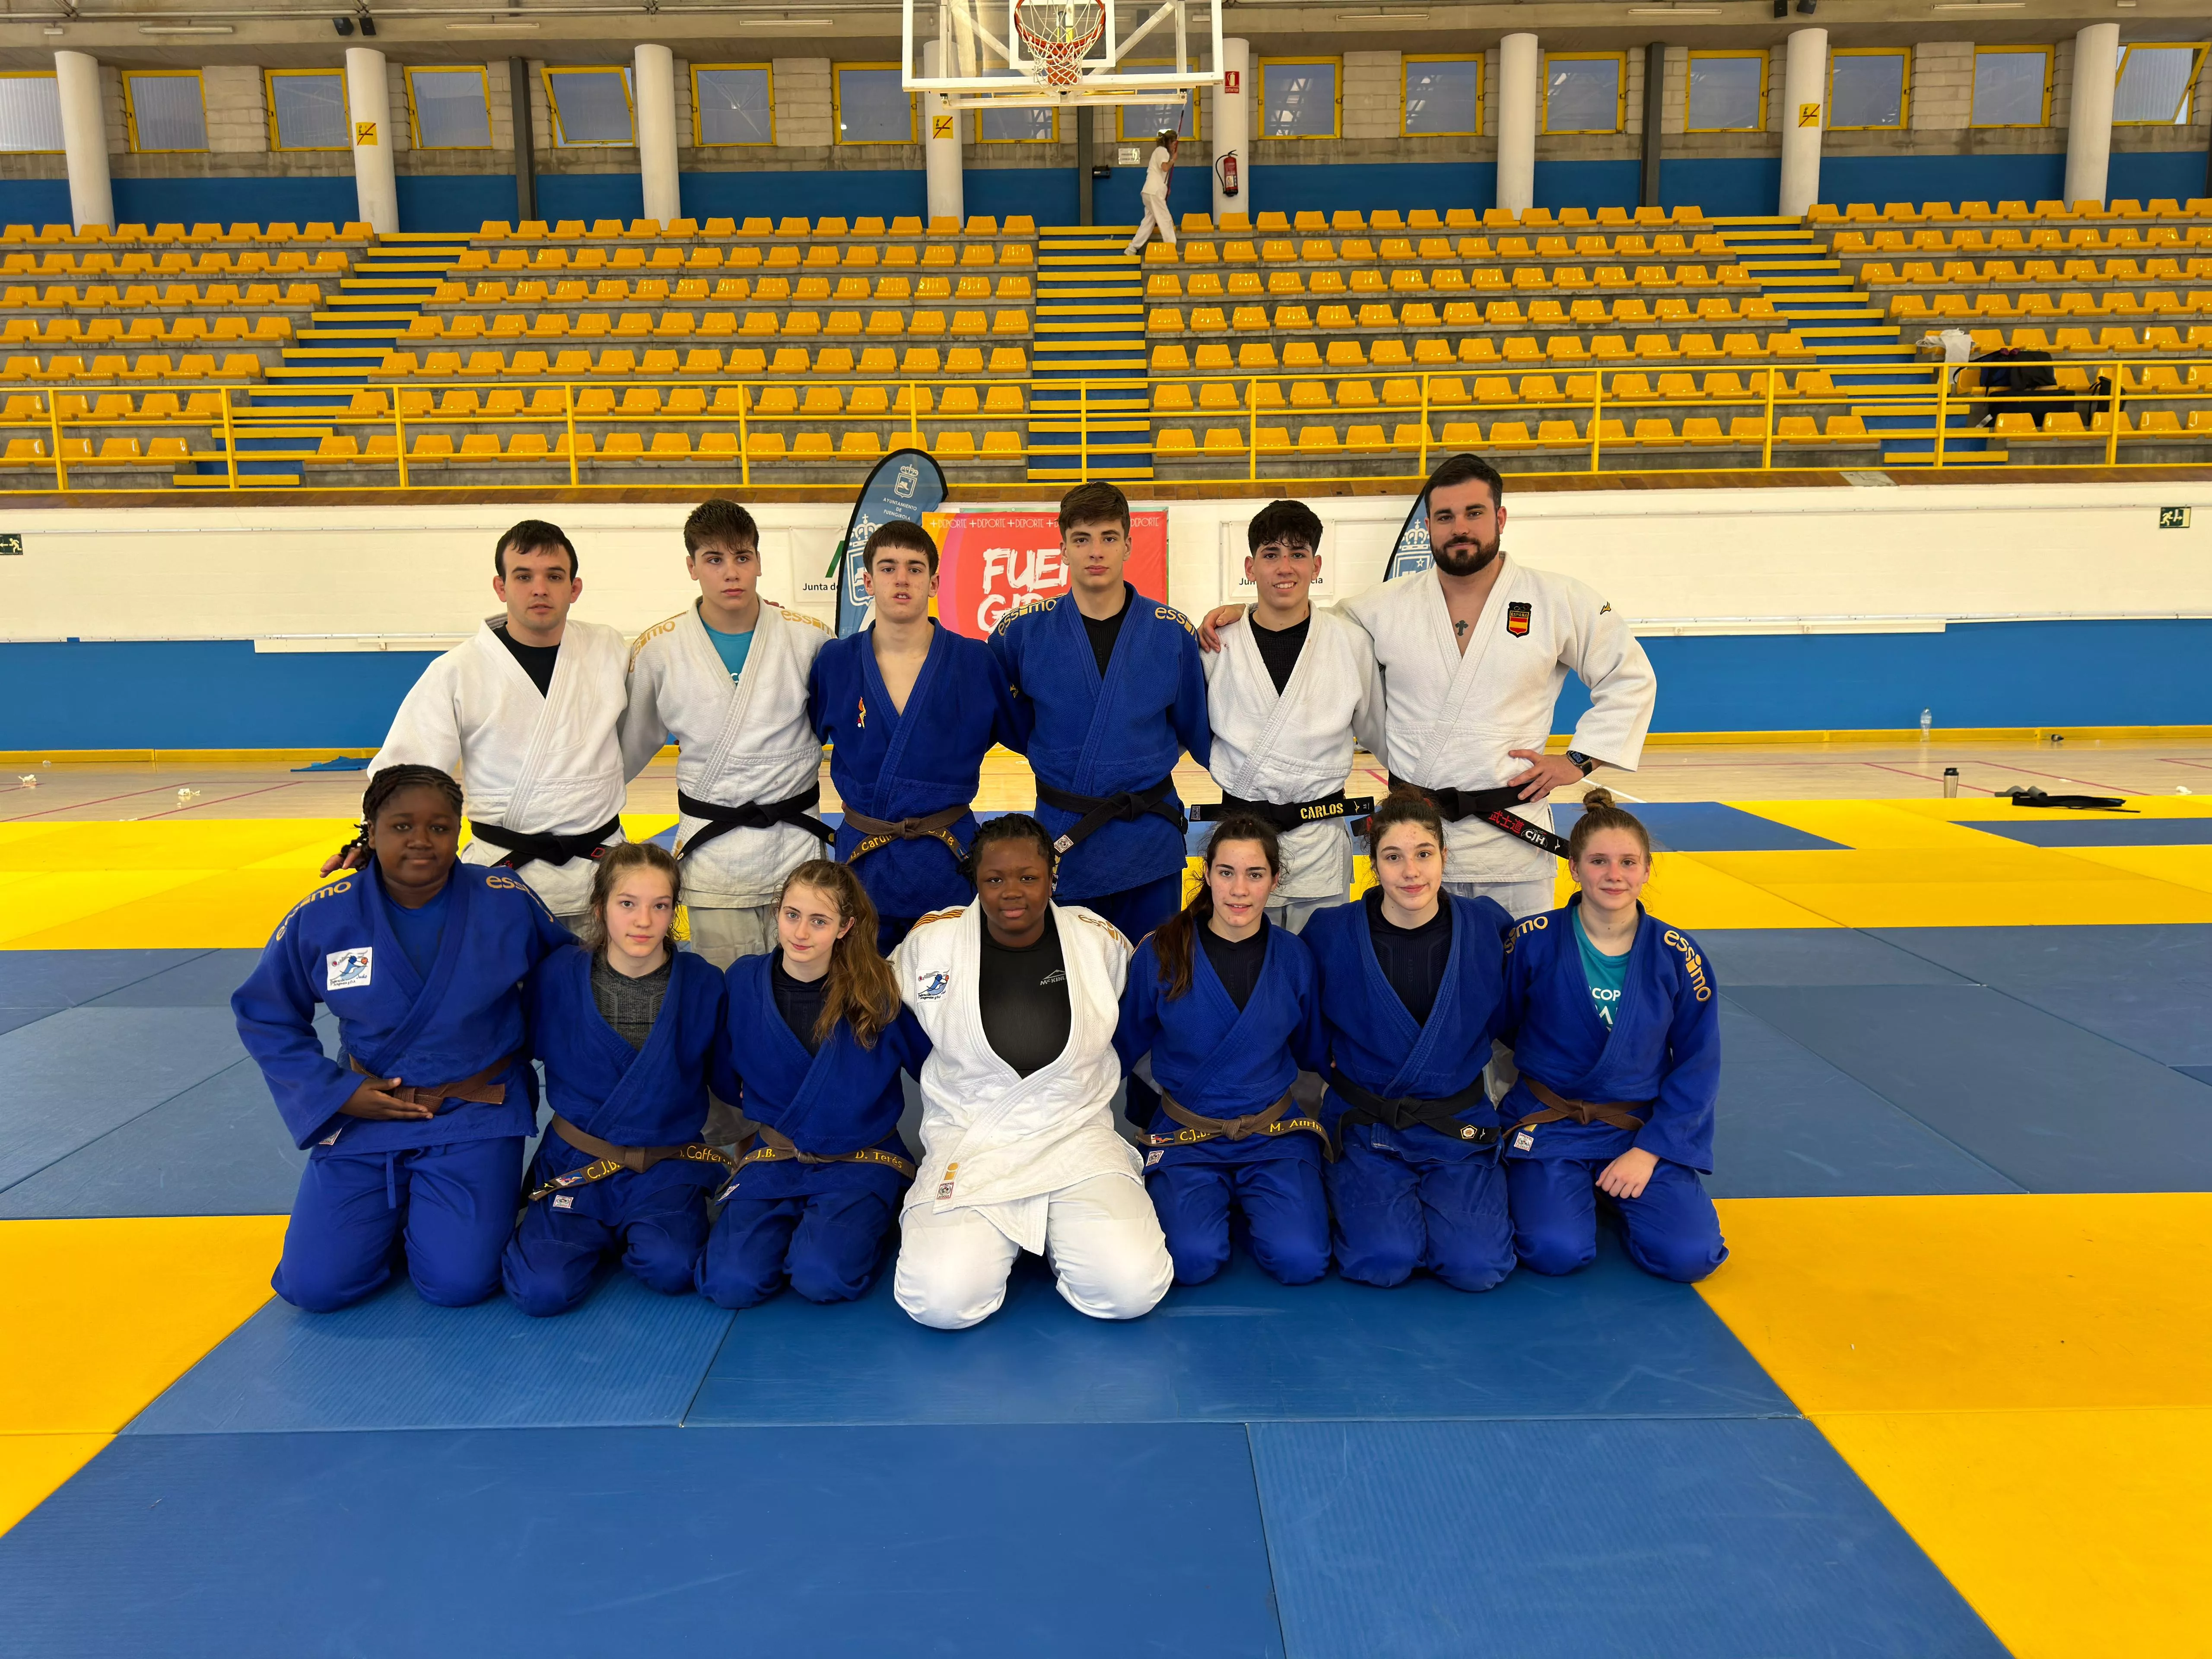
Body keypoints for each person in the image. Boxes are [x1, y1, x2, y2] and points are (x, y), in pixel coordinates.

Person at [1201, 453, 1655, 923]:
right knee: (1416, 972)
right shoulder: (1383, 605)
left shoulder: (1558, 599)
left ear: (1499, 517)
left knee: (1515, 973)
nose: (1459, 527)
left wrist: (1579, 760)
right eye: (1445, 516)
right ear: (1428, 525)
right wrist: (1242, 612)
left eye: (1473, 513)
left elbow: (1629, 677)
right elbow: (1300, 623)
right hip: (1413, 843)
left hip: (1511, 839)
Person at [234, 765, 572, 1312]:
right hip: (368, 1112)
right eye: (401, 826)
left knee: (458, 1285)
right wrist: (336, 1092)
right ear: (370, 830)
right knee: (314, 1288)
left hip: (474, 1113)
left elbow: (567, 983)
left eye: (440, 827)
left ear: (459, 830)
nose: (421, 840)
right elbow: (264, 1012)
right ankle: (402, 1217)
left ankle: (439, 1214)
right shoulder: (325, 915)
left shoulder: (503, 900)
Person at [891, 814, 1174, 1330]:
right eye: (994, 880)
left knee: (1130, 1289)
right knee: (940, 1301)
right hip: (974, 1139)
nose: (1011, 893)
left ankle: (1053, 1233)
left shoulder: (1097, 943)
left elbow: (1139, 1026)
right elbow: (895, 1030)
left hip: (1074, 1138)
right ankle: (1021, 1236)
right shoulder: (931, 944)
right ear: (974, 882)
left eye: (1028, 877)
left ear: (1052, 878)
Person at [1498, 790, 1727, 1283]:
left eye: (1627, 862)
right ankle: (1580, 1191)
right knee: (1553, 1251)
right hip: (1552, 1122)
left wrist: (1649, 1152)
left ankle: (1614, 1187)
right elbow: (1503, 1023)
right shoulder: (1532, 940)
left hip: (1638, 1128)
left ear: (1646, 871)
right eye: (1598, 861)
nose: (1614, 875)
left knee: (1689, 1256)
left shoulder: (1677, 955)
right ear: (1574, 869)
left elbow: (1697, 1061)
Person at [356, 521, 632, 930]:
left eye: (554, 576)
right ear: (501, 588)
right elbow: (407, 772)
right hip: (503, 877)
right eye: (523, 577)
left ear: (574, 589)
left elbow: (637, 736)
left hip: (602, 875)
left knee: (605, 993)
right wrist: (372, 841)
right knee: (507, 993)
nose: (539, 589)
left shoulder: (608, 648)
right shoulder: (457, 670)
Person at [501, 842, 731, 1317]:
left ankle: (630, 1230)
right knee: (540, 1292)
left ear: (674, 912)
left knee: (673, 1269)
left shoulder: (703, 983)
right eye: (627, 904)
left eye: (659, 906)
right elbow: (519, 1049)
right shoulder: (556, 976)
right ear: (600, 907)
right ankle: (587, 1232)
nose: (643, 921)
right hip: (577, 1159)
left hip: (663, 1163)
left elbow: (727, 1078)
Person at [1301, 790, 1516, 1291]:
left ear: (1444, 856)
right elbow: (1305, 1024)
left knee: (1477, 1269)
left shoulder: (1486, 925)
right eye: (1392, 857)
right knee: (1383, 1261)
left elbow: (1512, 1015)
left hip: (1456, 1123)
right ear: (1373, 863)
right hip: (1367, 1126)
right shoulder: (1330, 932)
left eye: (1423, 854)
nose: (1410, 872)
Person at [988, 481, 1210, 944]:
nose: (1096, 552)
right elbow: (1009, 722)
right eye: (1082, 539)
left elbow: (1190, 726)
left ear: (1128, 545)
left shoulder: (1171, 633)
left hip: (1148, 836)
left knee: (1155, 976)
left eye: (1109, 537)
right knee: (1072, 986)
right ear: (1063, 547)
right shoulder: (1022, 633)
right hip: (1063, 839)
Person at [698, 861, 926, 1309]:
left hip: (860, 1157)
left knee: (821, 1277)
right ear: (776, 914)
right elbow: (723, 1068)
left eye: (819, 921)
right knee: (730, 1283)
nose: (801, 932)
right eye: (792, 915)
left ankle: (865, 1218)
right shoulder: (743, 981)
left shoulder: (878, 990)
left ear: (845, 927)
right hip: (776, 1156)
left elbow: (930, 1068)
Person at [1115, 816, 1332, 1287]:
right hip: (1186, 1133)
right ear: (1206, 873)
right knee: (1190, 1262)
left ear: (1274, 881)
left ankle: (1257, 1201)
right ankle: (1215, 1203)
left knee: (1301, 1261)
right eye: (1226, 872)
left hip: (1272, 1132)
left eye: (1254, 875)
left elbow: (1314, 1049)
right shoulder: (1163, 952)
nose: (1239, 890)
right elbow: (1121, 1049)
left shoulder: (1294, 957)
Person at [621, 498, 835, 969]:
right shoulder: (660, 650)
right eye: (714, 560)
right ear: (692, 567)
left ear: (759, 561)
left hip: (796, 848)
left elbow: (840, 729)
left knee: (805, 989)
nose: (731, 573)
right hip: (714, 859)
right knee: (728, 994)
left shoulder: (810, 640)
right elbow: (625, 751)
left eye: (742, 557)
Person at [809, 519, 1026, 952]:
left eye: (914, 567)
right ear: (867, 581)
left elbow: (1029, 735)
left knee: (947, 994)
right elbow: (804, 737)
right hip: (863, 860)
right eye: (887, 568)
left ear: (934, 582)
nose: (901, 579)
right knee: (865, 995)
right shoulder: (835, 662)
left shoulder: (974, 662)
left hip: (947, 859)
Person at [1197, 499, 1386, 932]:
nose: (1284, 567)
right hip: (1239, 843)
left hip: (1317, 842)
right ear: (1249, 567)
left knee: (1318, 975)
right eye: (1270, 554)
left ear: (1315, 564)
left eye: (1297, 554)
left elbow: (1380, 733)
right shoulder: (1216, 643)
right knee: (1242, 972)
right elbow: (1191, 731)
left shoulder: (1349, 642)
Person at [1122, 129, 1179, 257]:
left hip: (1151, 191)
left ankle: (1131, 249)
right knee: (1165, 219)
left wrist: (1165, 188)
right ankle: (1171, 248)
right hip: (1154, 192)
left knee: (1148, 222)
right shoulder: (1162, 151)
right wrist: (1173, 160)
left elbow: (1161, 173)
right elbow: (1165, 167)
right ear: (1169, 142)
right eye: (1174, 144)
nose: (1175, 147)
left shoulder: (1160, 152)